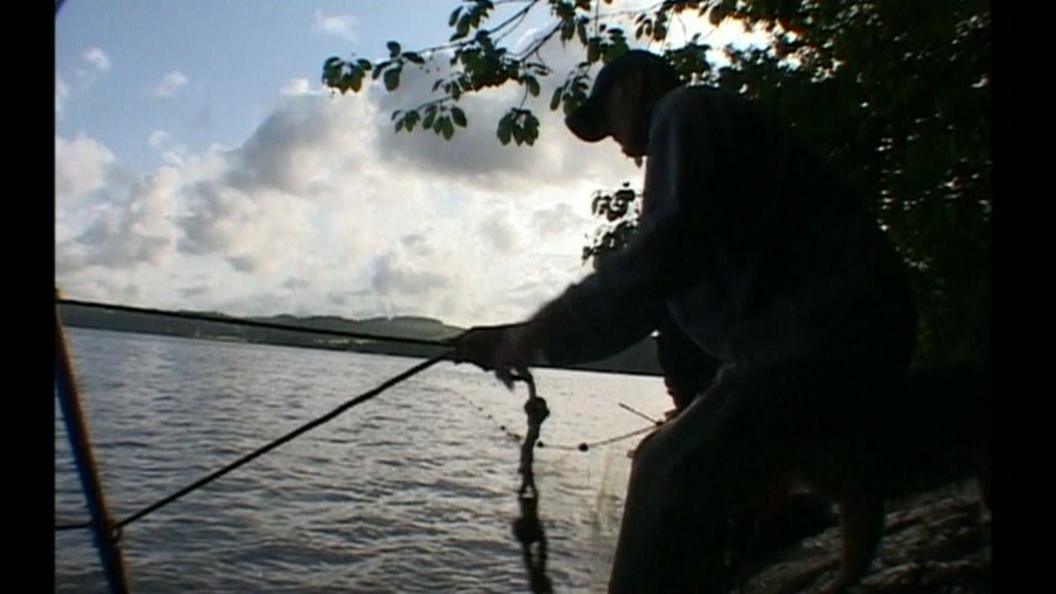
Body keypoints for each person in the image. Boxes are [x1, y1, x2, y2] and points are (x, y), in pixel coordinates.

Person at [453, 50, 916, 593]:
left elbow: (658, 258)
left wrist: (534, 332)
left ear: (636, 85)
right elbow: (644, 302)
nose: (616, 142)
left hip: (826, 333)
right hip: (838, 333)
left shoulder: (685, 112)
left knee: (666, 472)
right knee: (752, 459)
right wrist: (523, 340)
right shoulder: (697, 149)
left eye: (606, 118)